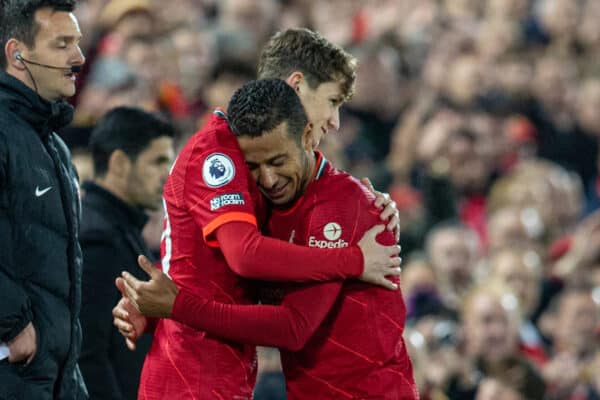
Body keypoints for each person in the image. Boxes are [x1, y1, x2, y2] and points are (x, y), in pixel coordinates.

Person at [114, 29, 402, 399]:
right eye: (332, 101)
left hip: (224, 371)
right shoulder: (218, 151)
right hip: (191, 376)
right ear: (296, 87)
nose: (335, 121)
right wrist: (353, 258)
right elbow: (244, 256)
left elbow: (222, 274)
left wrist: (363, 202)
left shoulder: (284, 182)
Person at [0, 0, 87, 399]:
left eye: (78, 43)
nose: (79, 57)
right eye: (62, 44)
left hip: (57, 377)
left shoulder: (54, 146)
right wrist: (11, 324)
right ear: (17, 54)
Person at [78, 107, 175, 399]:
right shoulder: (98, 238)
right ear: (119, 162)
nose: (166, 175)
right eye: (157, 161)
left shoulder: (120, 228)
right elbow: (87, 356)